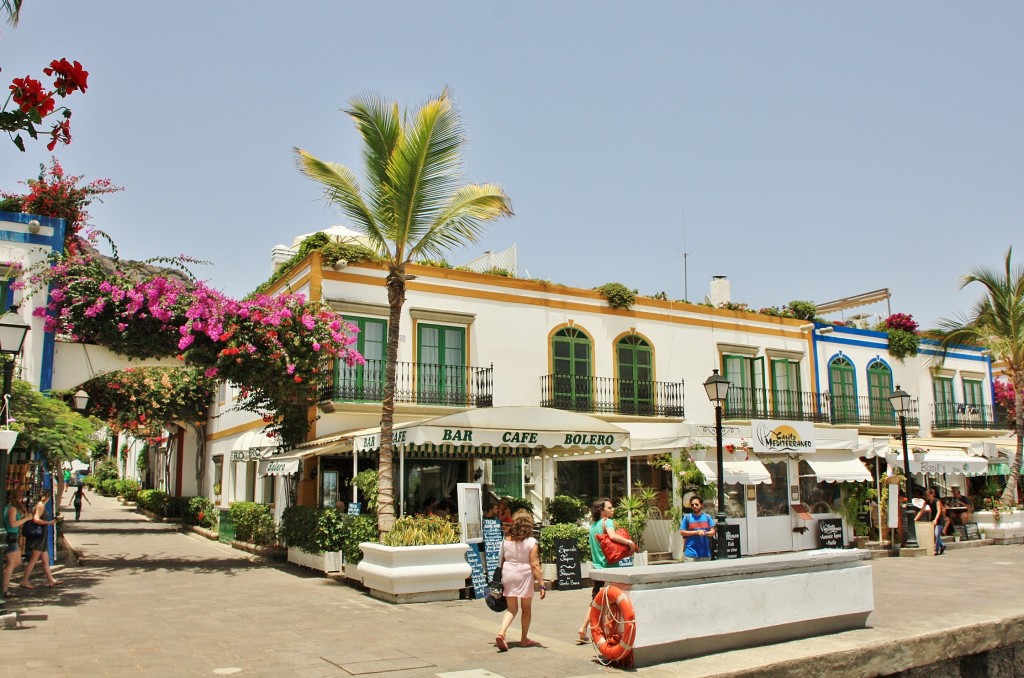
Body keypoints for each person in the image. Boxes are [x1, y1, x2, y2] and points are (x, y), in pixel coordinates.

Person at [577, 498, 635, 644]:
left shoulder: (593, 526)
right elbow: (612, 536)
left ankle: (584, 628)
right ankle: (605, 630)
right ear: (602, 511)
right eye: (609, 507)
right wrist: (629, 542)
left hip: (598, 568)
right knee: (613, 602)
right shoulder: (607, 522)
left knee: (596, 600)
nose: (612, 509)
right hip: (610, 568)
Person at [494, 509, 545, 651]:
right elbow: (535, 564)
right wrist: (541, 584)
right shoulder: (531, 542)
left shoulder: (506, 541)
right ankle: (524, 638)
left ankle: (502, 632)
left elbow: (502, 560)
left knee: (511, 609)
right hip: (524, 575)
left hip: (508, 573)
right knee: (526, 608)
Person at [20, 490, 63, 589]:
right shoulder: (40, 505)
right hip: (39, 537)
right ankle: (24, 580)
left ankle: (51, 580)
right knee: (33, 560)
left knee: (45, 560)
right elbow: (36, 519)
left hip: (42, 537)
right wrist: (48, 523)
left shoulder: (40, 505)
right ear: (47, 496)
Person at [2, 490, 31, 597]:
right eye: (21, 497)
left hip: (12, 537)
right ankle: (4, 588)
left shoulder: (9, 508)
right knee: (11, 563)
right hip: (10, 536)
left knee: (17, 561)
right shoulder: (12, 509)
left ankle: (4, 584)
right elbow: (13, 524)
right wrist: (26, 519)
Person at [680, 496, 717, 562]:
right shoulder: (687, 517)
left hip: (705, 554)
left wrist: (704, 533)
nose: (694, 506)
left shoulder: (707, 517)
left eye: (696, 504)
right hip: (690, 554)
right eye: (692, 505)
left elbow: (713, 532)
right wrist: (696, 532)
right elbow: (682, 532)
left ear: (701, 505)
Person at [916, 487, 946, 556]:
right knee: (934, 535)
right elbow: (921, 510)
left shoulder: (937, 501)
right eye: (926, 495)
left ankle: (936, 550)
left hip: (939, 519)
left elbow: (939, 511)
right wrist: (916, 518)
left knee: (936, 534)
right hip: (933, 519)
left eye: (928, 495)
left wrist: (936, 519)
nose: (927, 497)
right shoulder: (927, 502)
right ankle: (942, 545)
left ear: (932, 494)